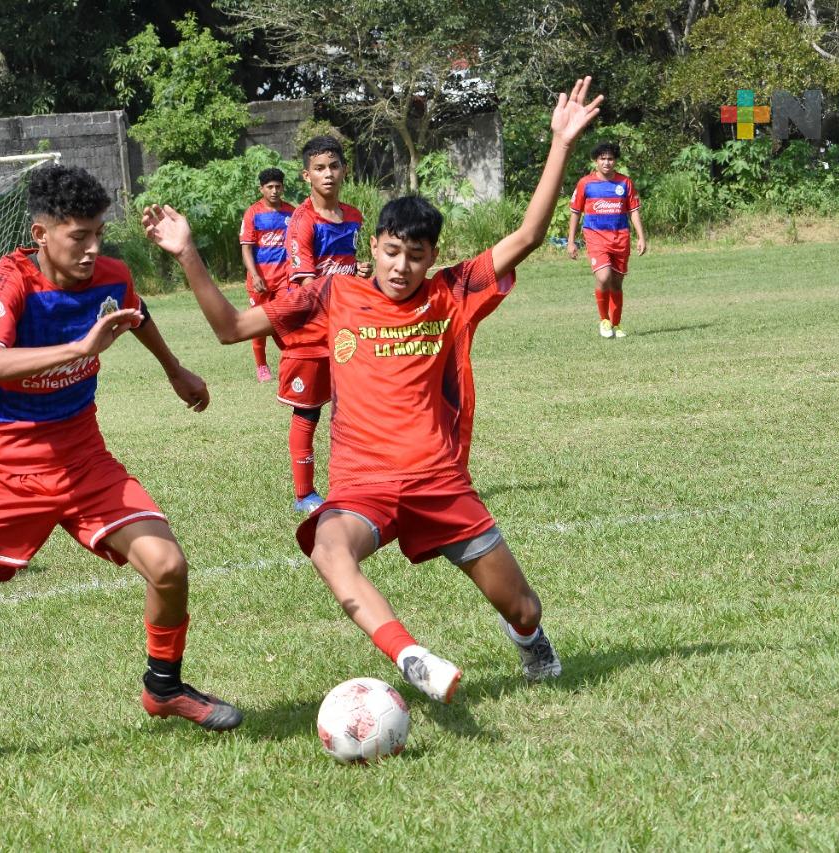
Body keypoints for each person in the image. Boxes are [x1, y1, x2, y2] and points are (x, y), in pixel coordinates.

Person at [143, 77, 603, 703]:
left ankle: (529, 640)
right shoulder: (334, 295)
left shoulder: (452, 293)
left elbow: (525, 235)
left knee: (522, 606)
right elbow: (229, 329)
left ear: (431, 256)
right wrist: (189, 253)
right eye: (390, 252)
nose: (399, 267)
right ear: (374, 248)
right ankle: (408, 654)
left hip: (440, 482)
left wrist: (560, 144)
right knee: (329, 549)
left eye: (415, 256)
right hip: (365, 483)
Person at [0, 164, 242, 767]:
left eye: (98, 233)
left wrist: (175, 371)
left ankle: (164, 689)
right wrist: (78, 349)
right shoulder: (10, 280)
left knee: (168, 566)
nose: (93, 249)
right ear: (41, 233)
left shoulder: (111, 276)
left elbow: (135, 313)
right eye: (78, 237)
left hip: (80, 455)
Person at [279, 136, 372, 514]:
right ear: (307, 175)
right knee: (308, 410)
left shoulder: (353, 216)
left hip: (346, 327)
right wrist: (348, 282)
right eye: (319, 168)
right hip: (309, 332)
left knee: (353, 407)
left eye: (334, 166)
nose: (328, 174)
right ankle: (304, 494)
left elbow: (348, 267)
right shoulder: (301, 222)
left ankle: (354, 481)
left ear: (344, 170)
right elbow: (305, 283)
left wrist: (360, 271)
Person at [567, 141, 646, 338]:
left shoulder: (624, 183)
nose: (607, 162)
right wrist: (571, 241)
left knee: (617, 284)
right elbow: (575, 212)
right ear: (596, 161)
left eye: (610, 159)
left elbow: (634, 211)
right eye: (603, 159)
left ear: (615, 160)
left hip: (621, 238)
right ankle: (604, 319)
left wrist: (641, 237)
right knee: (603, 278)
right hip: (595, 238)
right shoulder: (585, 183)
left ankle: (616, 324)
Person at [238, 167, 295, 383]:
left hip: (285, 279)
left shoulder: (292, 212)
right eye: (269, 187)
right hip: (260, 279)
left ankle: (289, 361)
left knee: (285, 321)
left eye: (277, 186)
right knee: (259, 324)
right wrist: (255, 275)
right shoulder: (253, 213)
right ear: (261, 189)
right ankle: (261, 365)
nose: (274, 191)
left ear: (282, 188)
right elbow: (246, 249)